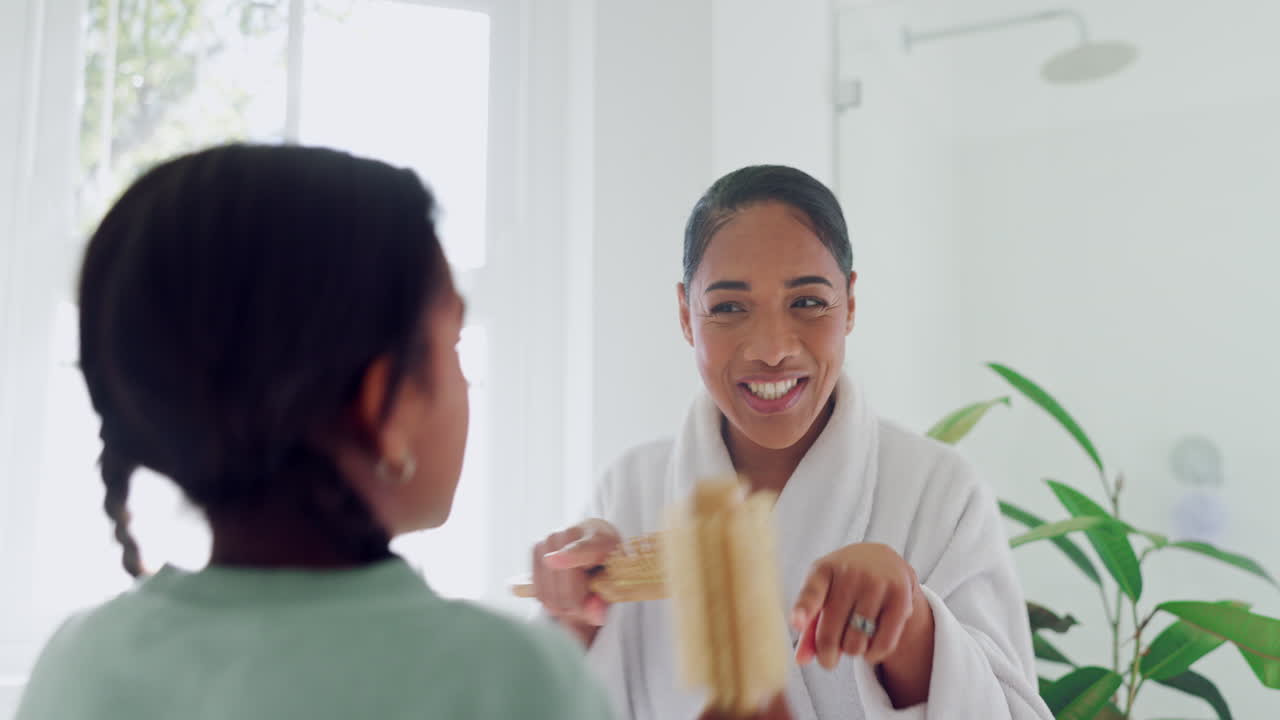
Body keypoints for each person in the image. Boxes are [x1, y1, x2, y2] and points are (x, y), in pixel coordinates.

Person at [16, 144, 612, 720]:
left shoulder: (77, 663)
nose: (466, 382)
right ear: (387, 403)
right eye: (452, 342)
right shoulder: (509, 678)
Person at [530, 165, 1053, 720]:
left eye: (807, 302)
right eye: (729, 308)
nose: (773, 349)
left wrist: (912, 625)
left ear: (850, 302)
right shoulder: (631, 491)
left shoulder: (940, 493)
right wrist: (571, 613)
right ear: (687, 315)